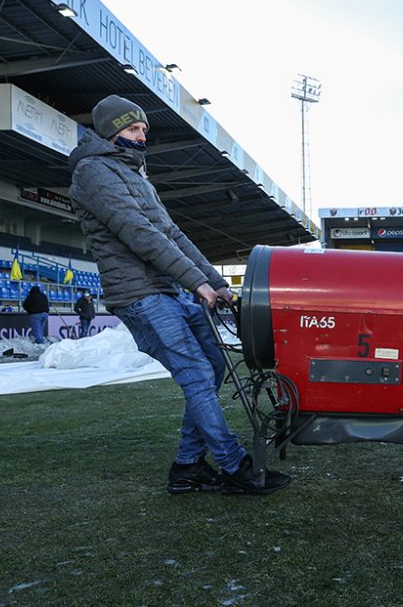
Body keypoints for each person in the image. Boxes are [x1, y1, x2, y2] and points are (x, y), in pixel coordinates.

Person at [67, 95, 289, 496]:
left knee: (214, 367)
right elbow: (138, 233)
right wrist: (196, 283)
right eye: (133, 130)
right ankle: (233, 465)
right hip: (139, 294)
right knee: (198, 374)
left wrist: (216, 282)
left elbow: (173, 235)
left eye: (144, 130)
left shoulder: (136, 175)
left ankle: (187, 467)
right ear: (111, 132)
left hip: (167, 289)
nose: (142, 137)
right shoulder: (92, 172)